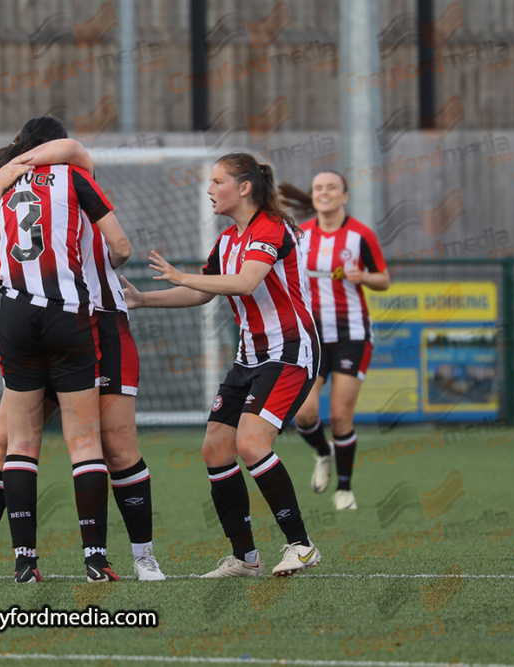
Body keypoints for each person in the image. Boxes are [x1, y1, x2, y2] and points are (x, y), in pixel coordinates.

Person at [0, 139, 166, 584]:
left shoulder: (74, 179)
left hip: (98, 321)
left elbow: (73, 147)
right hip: (55, 321)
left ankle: (143, 556)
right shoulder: (16, 204)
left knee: (117, 444)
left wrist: (15, 165)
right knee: (6, 444)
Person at [122, 152, 321, 578]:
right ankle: (246, 558)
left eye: (217, 182)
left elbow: (244, 282)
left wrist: (182, 276)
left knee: (251, 443)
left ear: (244, 187)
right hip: (249, 356)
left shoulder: (271, 227)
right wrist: (143, 299)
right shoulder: (229, 238)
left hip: (288, 351)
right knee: (215, 448)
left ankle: (301, 545)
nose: (209, 190)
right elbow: (204, 291)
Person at [280, 171, 391, 511]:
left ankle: (344, 489)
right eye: (318, 188)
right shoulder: (300, 236)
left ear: (344, 196)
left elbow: (384, 279)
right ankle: (322, 452)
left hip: (351, 335)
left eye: (331, 188)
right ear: (312, 197)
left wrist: (365, 277)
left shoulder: (360, 236)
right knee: (304, 415)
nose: (324, 193)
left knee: (341, 414)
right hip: (311, 337)